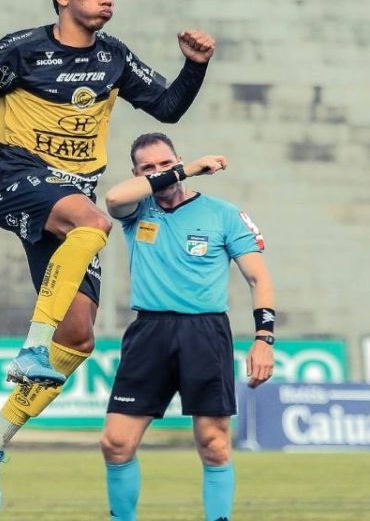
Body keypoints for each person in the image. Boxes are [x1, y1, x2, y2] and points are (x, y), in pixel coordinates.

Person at [0, 0, 216, 514]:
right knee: (93, 222)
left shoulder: (114, 58)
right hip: (16, 181)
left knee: (81, 338)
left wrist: (194, 66)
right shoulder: (20, 49)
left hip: (70, 202)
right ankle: (31, 349)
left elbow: (166, 108)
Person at [99, 133, 276, 521]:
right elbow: (112, 200)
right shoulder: (137, 209)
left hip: (205, 332)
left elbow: (258, 279)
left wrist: (264, 338)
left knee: (213, 444)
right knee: (115, 443)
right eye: (149, 168)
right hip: (149, 332)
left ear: (175, 159)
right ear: (137, 174)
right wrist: (190, 167)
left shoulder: (224, 214)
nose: (161, 173)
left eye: (166, 164)